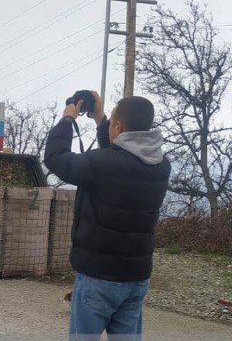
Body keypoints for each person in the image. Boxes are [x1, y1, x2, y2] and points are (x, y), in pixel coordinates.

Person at [43, 92, 170, 339]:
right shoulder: (161, 166)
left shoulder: (101, 164)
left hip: (98, 277)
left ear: (119, 126)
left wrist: (67, 120)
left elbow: (55, 158)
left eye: (112, 121)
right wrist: (101, 117)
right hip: (136, 277)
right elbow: (120, 156)